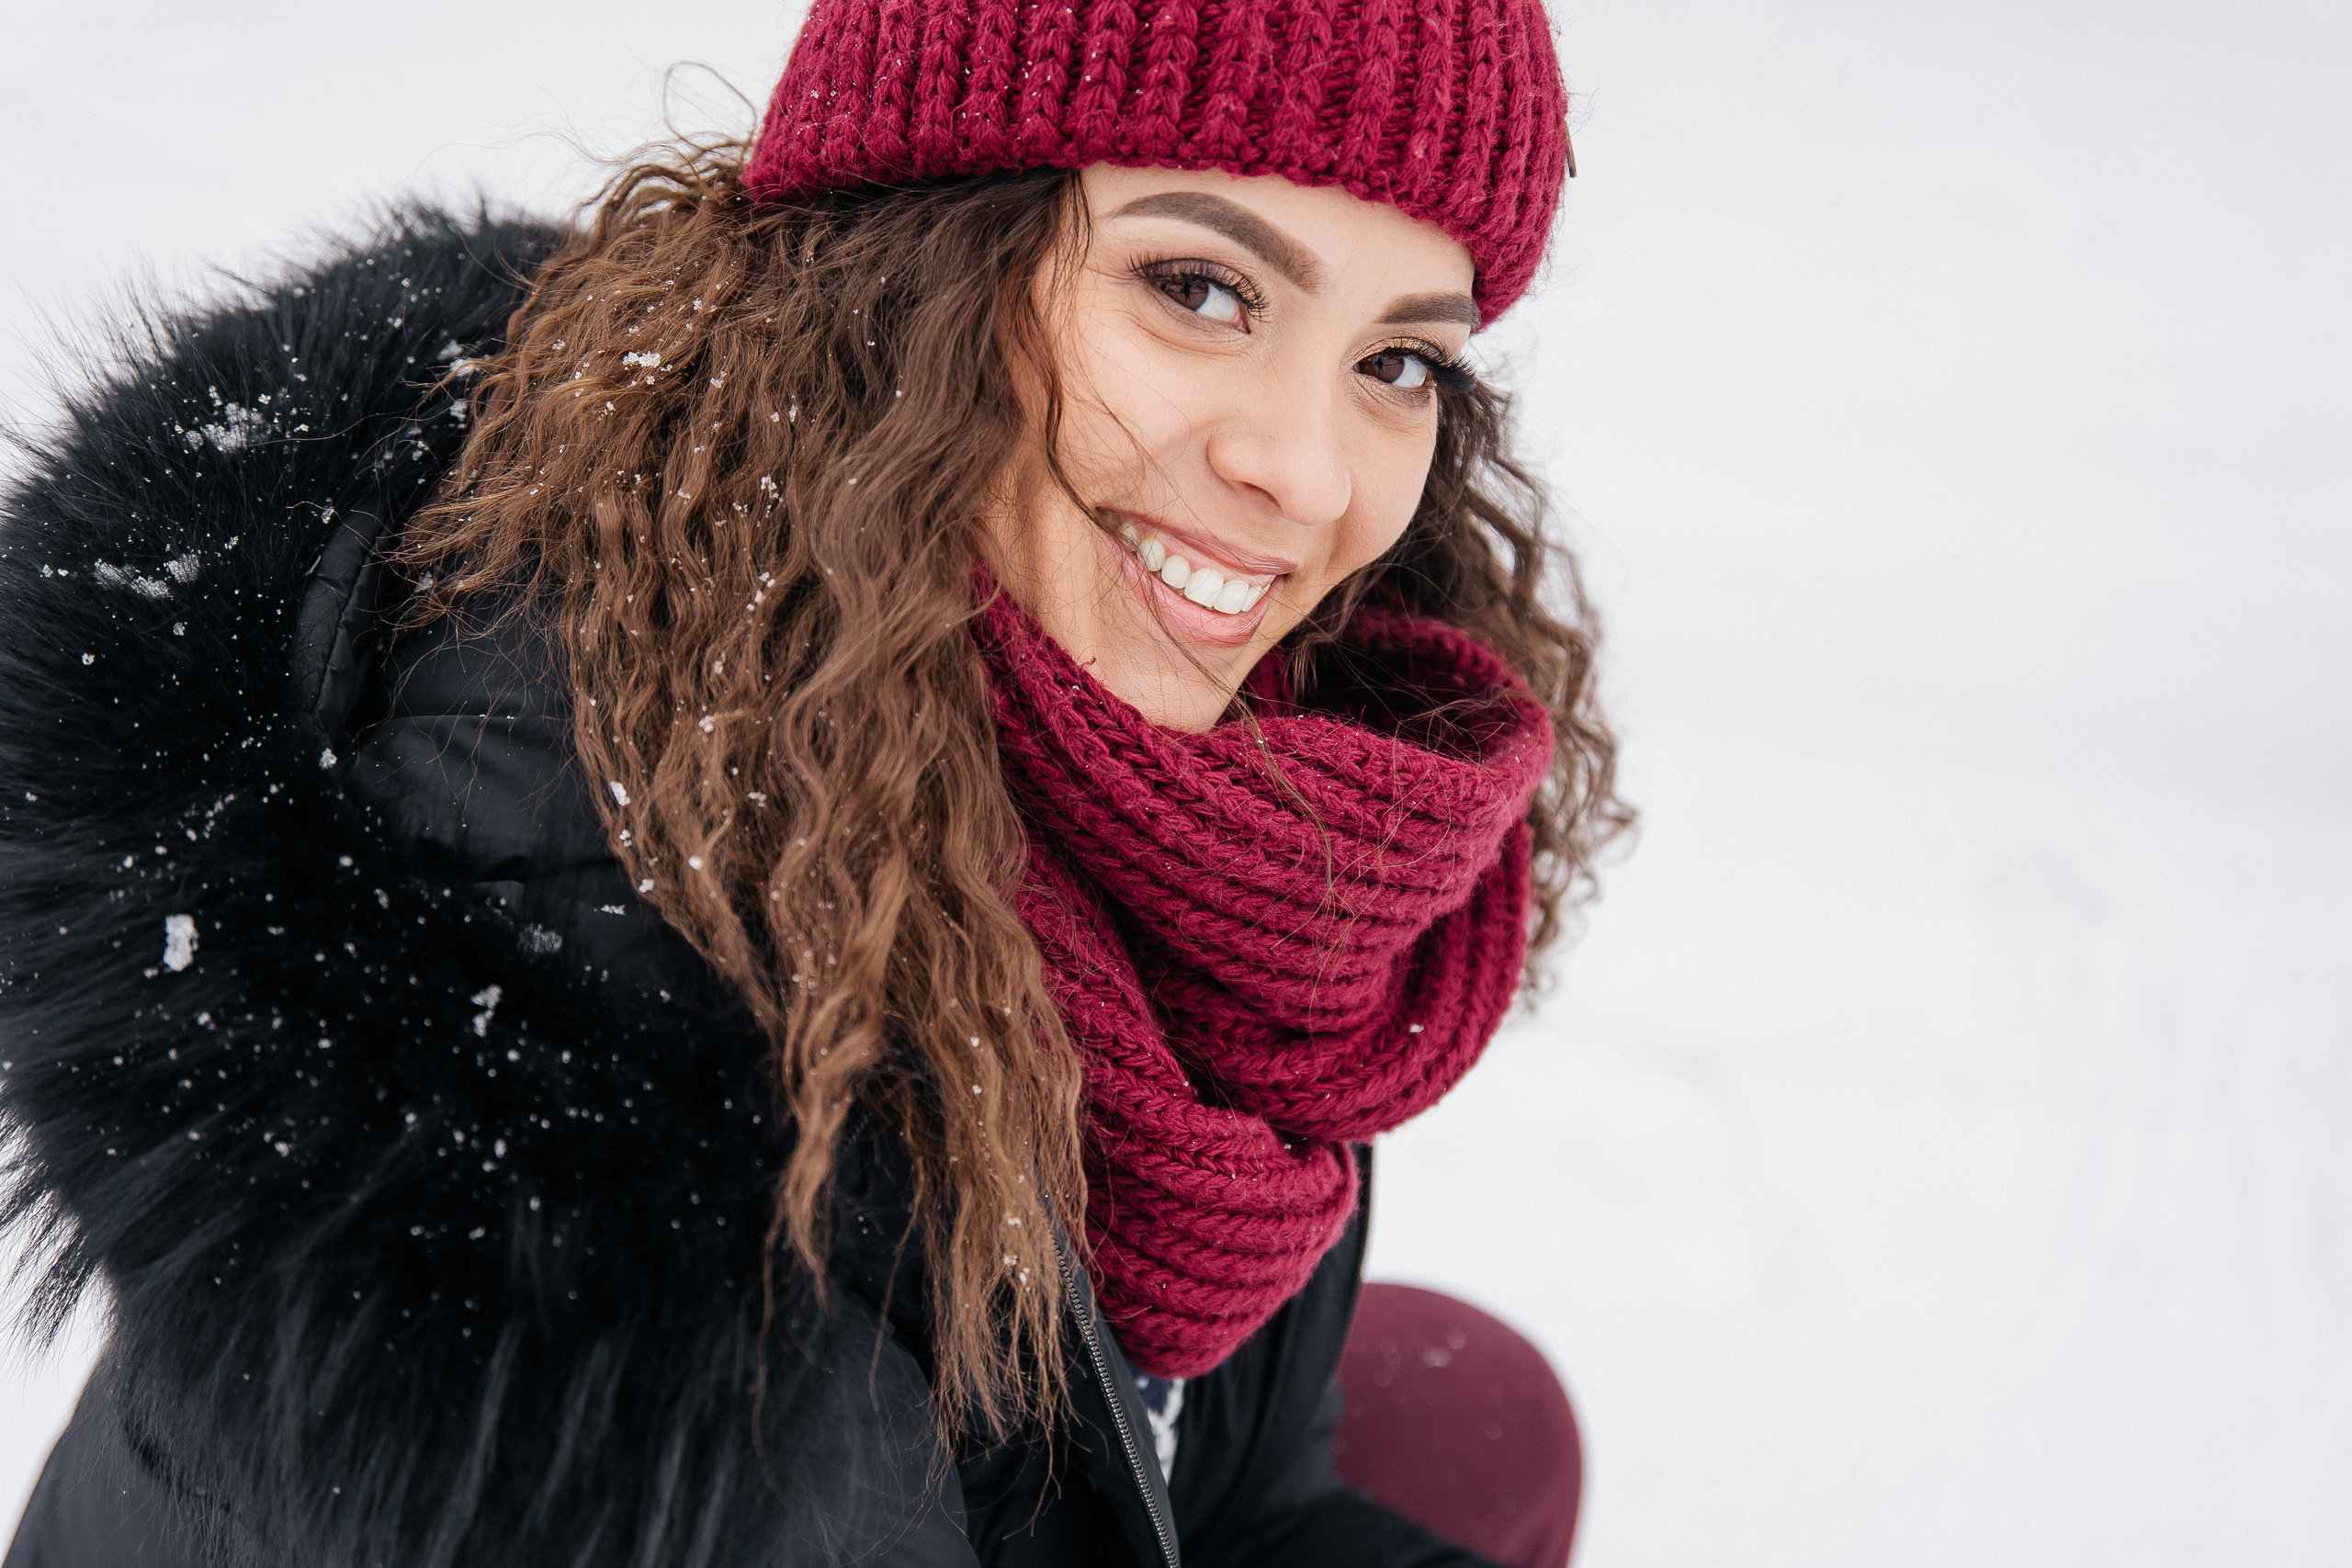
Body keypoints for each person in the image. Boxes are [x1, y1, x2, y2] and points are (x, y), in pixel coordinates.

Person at [0, 0, 1626, 1561]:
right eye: (1199, 287)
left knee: (1477, 1416)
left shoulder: (1192, 785)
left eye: (1398, 361)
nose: (1309, 475)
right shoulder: (596, 930)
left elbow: (1240, 1500)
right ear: (917, 260)